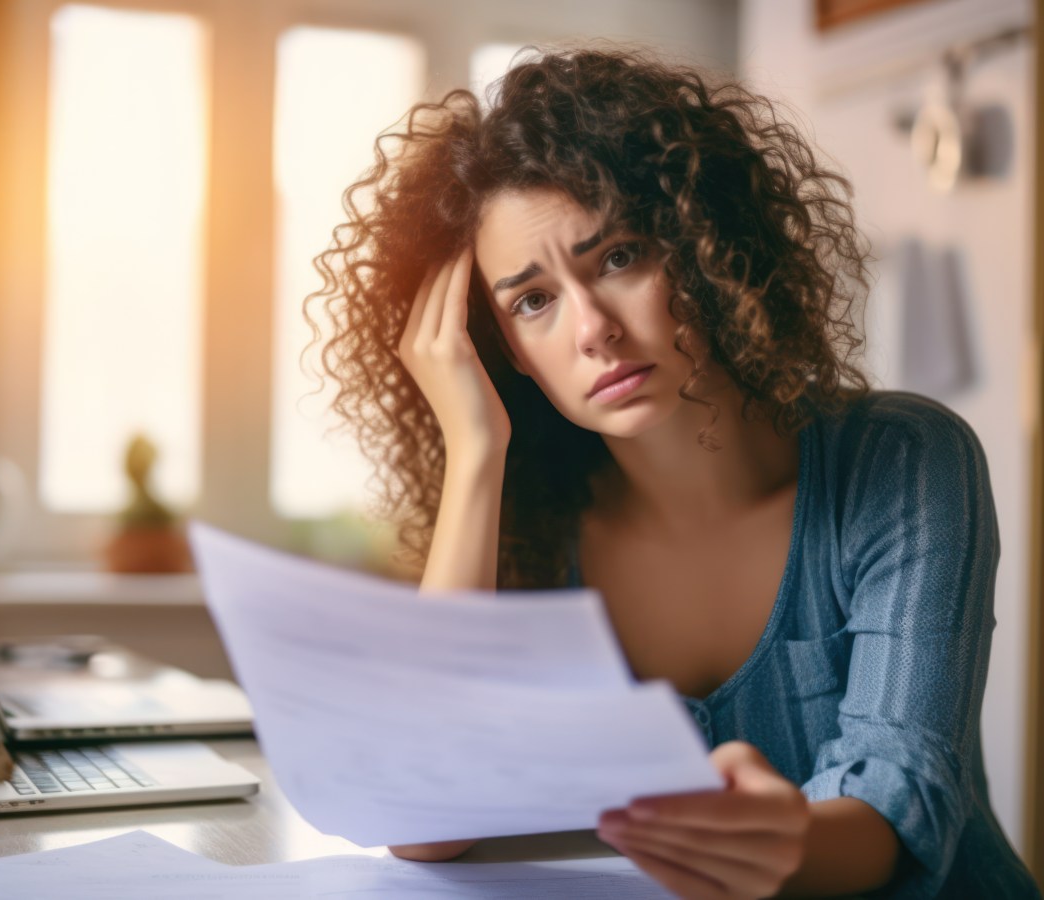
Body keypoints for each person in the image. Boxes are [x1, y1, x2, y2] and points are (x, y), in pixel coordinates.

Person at [304, 45, 1039, 899]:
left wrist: (787, 844)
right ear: (496, 347)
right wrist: (474, 453)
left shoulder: (904, 462)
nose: (592, 330)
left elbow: (900, 798)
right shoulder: (533, 532)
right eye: (531, 300)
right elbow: (424, 823)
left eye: (618, 257)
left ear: (702, 245)